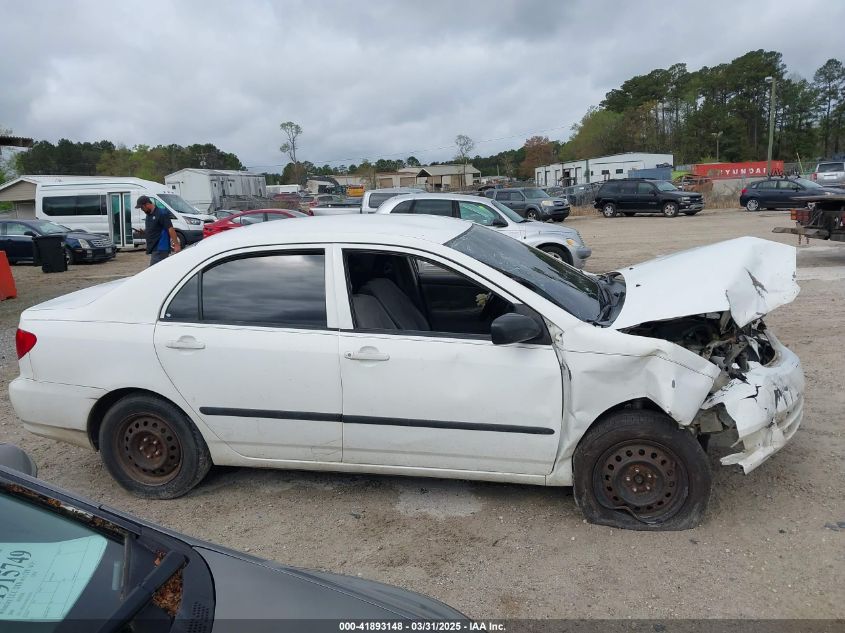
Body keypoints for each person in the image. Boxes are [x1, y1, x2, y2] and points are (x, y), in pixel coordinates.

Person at [137, 196, 181, 265]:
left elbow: (170, 229)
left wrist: (176, 245)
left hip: (160, 248)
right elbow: (154, 229)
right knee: (160, 271)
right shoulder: (149, 215)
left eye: (142, 207)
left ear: (147, 204)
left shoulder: (161, 213)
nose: (142, 210)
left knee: (153, 272)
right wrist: (144, 232)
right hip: (154, 248)